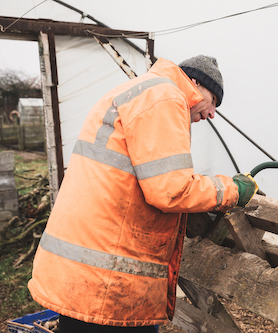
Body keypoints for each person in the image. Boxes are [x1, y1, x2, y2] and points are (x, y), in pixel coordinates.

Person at [28, 55, 257, 332]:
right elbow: (172, 190)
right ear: (196, 83)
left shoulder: (135, 91)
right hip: (109, 285)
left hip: (83, 272)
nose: (211, 114)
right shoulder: (166, 98)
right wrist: (233, 190)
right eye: (213, 101)